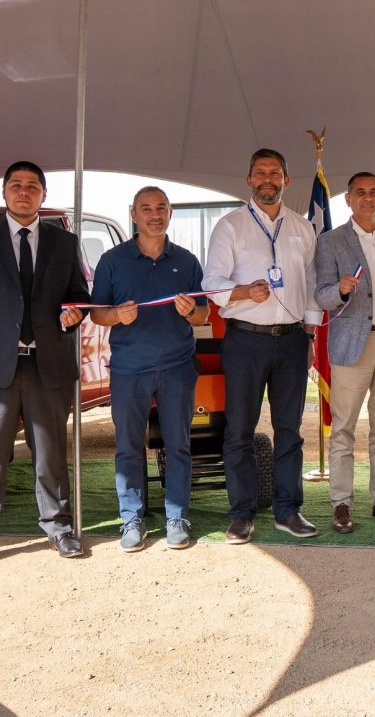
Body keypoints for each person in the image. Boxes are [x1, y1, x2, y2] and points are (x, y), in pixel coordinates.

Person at [0, 160, 89, 569]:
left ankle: (58, 528)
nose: (24, 192)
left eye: (32, 186)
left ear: (43, 194)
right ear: (4, 192)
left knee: (50, 453)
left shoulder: (64, 242)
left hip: (48, 365)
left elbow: (79, 295)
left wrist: (74, 314)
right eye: (16, 185)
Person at [203, 148, 320, 544]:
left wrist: (309, 336)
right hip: (245, 341)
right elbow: (211, 284)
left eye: (275, 172)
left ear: (286, 180)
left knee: (289, 430)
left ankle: (289, 510)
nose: (267, 179)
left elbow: (310, 286)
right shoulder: (230, 226)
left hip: (291, 341)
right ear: (248, 179)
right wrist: (242, 292)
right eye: (260, 172)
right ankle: (241, 514)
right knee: (239, 430)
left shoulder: (302, 228)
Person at [89, 186, 209, 551]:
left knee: (178, 444)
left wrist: (191, 311)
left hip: (177, 367)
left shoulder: (187, 261)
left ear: (170, 212)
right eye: (146, 208)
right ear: (134, 214)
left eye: (161, 208)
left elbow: (203, 316)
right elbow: (97, 313)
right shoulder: (112, 261)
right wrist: (116, 315)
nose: (154, 215)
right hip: (129, 369)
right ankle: (132, 518)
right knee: (128, 446)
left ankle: (177, 516)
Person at [314, 172, 375, 533]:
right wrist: (339, 290)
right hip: (352, 344)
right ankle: (341, 503)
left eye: (374, 192)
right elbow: (321, 296)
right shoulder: (330, 241)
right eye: (360, 192)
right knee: (343, 428)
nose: (368, 198)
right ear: (348, 198)